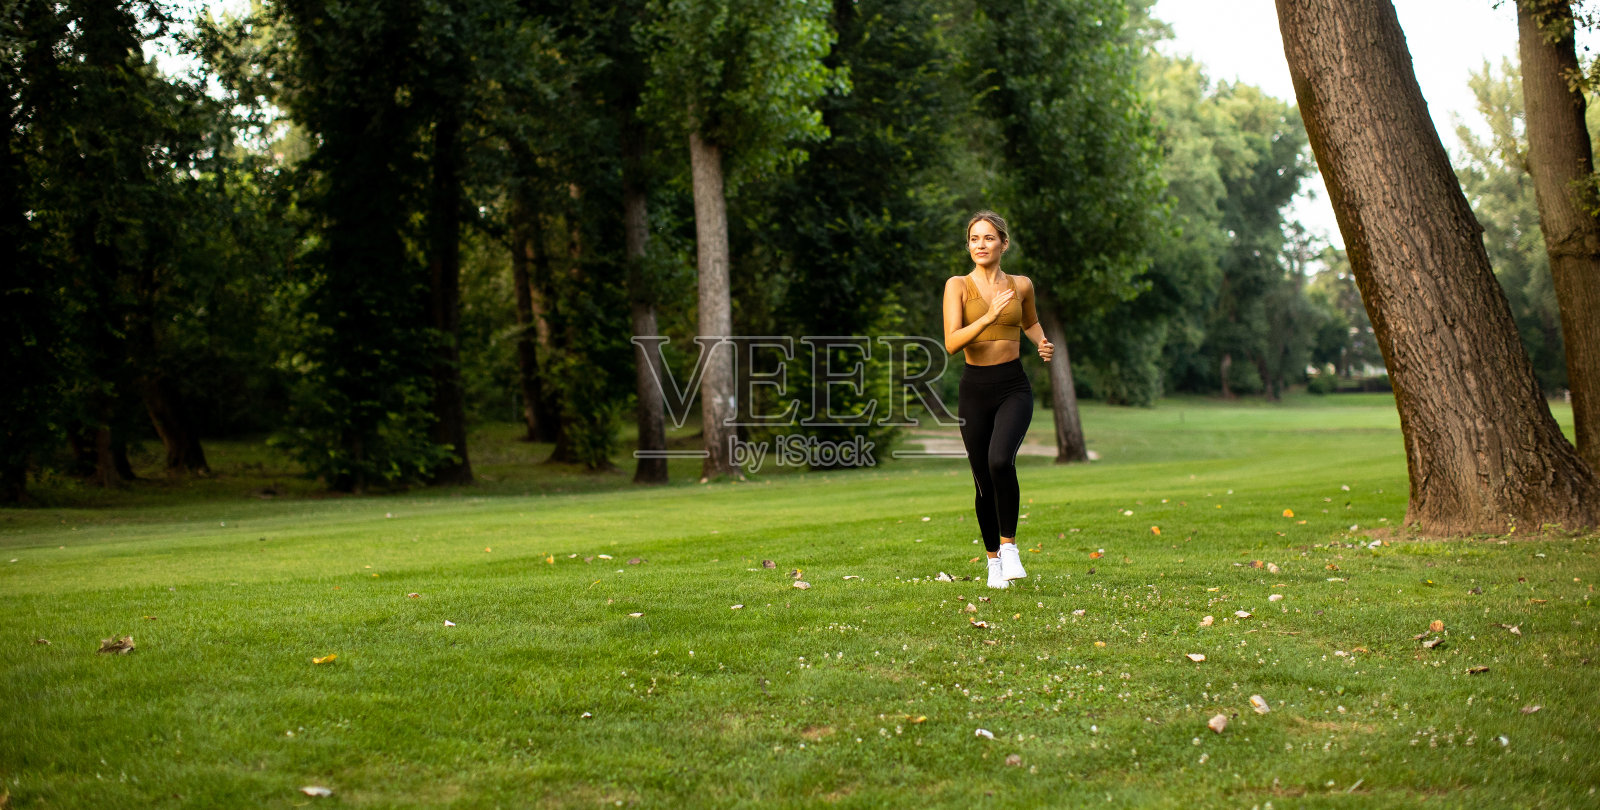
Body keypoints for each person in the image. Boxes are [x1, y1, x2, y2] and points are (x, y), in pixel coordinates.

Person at [942, 210, 1053, 589]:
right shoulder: (957, 286)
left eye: (988, 238)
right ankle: (993, 563)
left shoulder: (1021, 285)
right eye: (974, 239)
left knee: (1000, 460)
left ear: (1003, 244)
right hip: (974, 390)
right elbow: (952, 342)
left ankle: (1010, 548)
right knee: (982, 482)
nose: (981, 245)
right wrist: (988, 317)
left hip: (1012, 386)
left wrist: (1041, 342)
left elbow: (1030, 322)